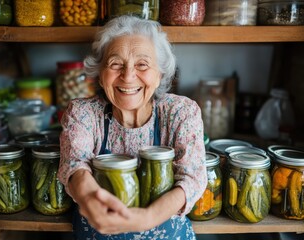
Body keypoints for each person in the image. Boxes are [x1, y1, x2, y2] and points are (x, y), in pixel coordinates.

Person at [57, 15, 207, 239]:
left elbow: (192, 178)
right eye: (115, 64)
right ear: (100, 76)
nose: (128, 76)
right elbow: (76, 165)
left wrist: (147, 218)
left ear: (159, 75)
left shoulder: (181, 112)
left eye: (142, 64)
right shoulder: (83, 114)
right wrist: (89, 198)